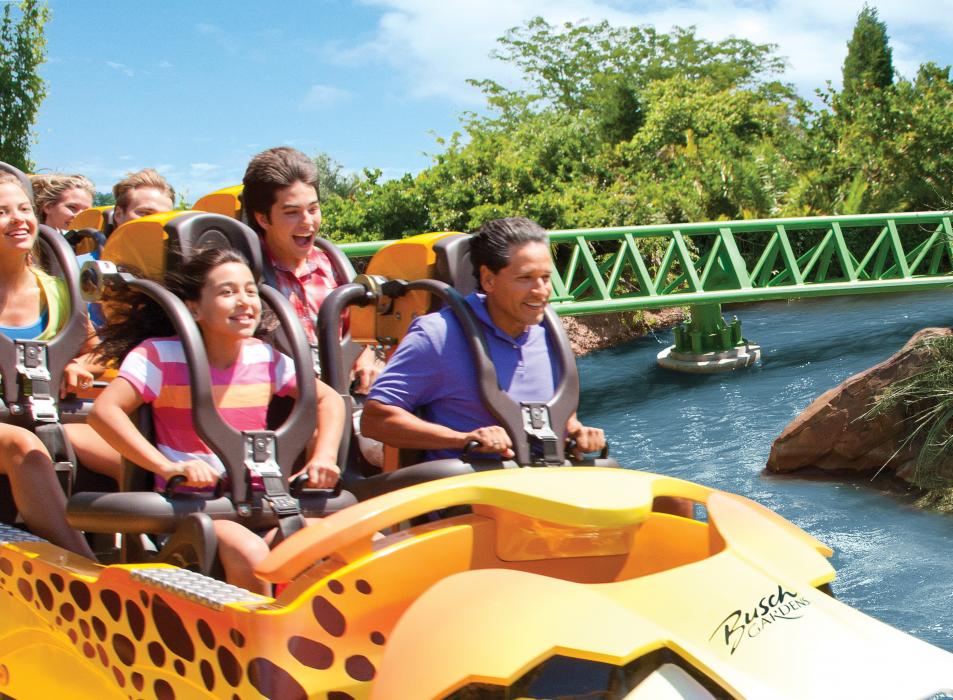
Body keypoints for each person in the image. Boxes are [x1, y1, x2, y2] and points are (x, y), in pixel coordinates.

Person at [88, 247, 345, 592]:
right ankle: (255, 643)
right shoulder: (160, 354)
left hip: (257, 502)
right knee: (250, 551)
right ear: (194, 307)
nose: (244, 301)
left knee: (322, 541)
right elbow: (104, 412)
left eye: (250, 291)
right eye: (228, 292)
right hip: (193, 508)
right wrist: (167, 467)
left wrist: (323, 457)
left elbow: (327, 399)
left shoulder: (263, 356)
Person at [361, 217, 606, 462]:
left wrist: (577, 431)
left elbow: (557, 414)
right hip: (471, 489)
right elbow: (376, 420)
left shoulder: (550, 333)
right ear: (488, 279)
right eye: (525, 278)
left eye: (545, 277)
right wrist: (463, 439)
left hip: (542, 482)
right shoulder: (437, 335)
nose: (541, 290)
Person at [0, 172, 121, 558]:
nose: (18, 219)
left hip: (46, 415)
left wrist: (82, 363)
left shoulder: (56, 290)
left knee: (121, 451)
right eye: (2, 212)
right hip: (11, 428)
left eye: (23, 209)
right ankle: (85, 567)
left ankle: (165, 552)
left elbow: (97, 351)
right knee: (24, 447)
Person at [241, 147, 378, 393]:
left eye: (313, 209)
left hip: (341, 395)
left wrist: (364, 358)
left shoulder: (333, 265)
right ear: (263, 218)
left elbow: (358, 336)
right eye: (292, 213)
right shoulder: (245, 273)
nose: (307, 221)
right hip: (283, 402)